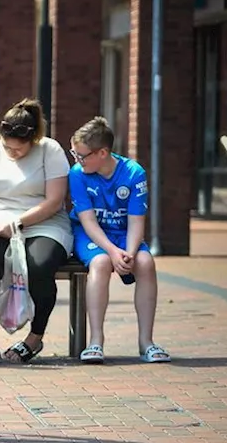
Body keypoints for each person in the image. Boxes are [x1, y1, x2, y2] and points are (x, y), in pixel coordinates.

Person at [0, 99, 74, 364]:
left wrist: (18, 224)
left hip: (45, 224)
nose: (12, 153)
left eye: (19, 149)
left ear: (34, 139)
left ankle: (35, 337)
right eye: (7, 147)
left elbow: (54, 201)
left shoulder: (51, 150)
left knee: (39, 265)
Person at [68, 117, 171, 364]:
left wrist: (130, 253)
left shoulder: (134, 173)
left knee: (145, 263)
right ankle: (95, 341)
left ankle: (146, 342)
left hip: (125, 234)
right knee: (101, 263)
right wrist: (113, 252)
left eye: (82, 155)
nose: (77, 160)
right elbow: (88, 221)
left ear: (102, 152)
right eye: (75, 154)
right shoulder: (78, 174)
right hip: (91, 233)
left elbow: (137, 221)